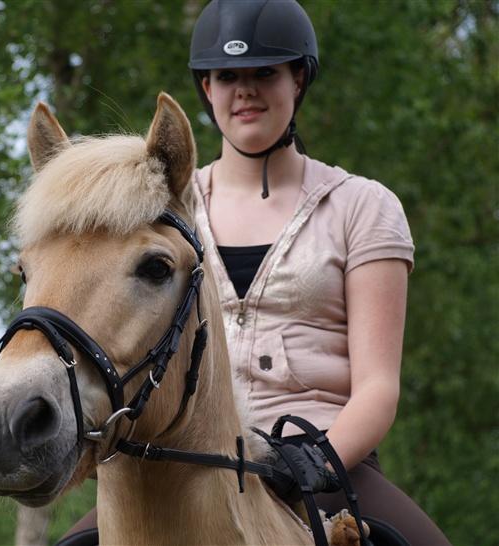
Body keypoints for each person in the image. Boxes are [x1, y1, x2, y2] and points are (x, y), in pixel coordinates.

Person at [187, 1, 451, 545]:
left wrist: (312, 463)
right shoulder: (164, 207)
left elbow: (378, 387)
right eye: (228, 76)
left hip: (328, 464)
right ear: (206, 88)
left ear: (299, 78)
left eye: (266, 72)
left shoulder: (363, 206)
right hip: (187, 466)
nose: (245, 91)